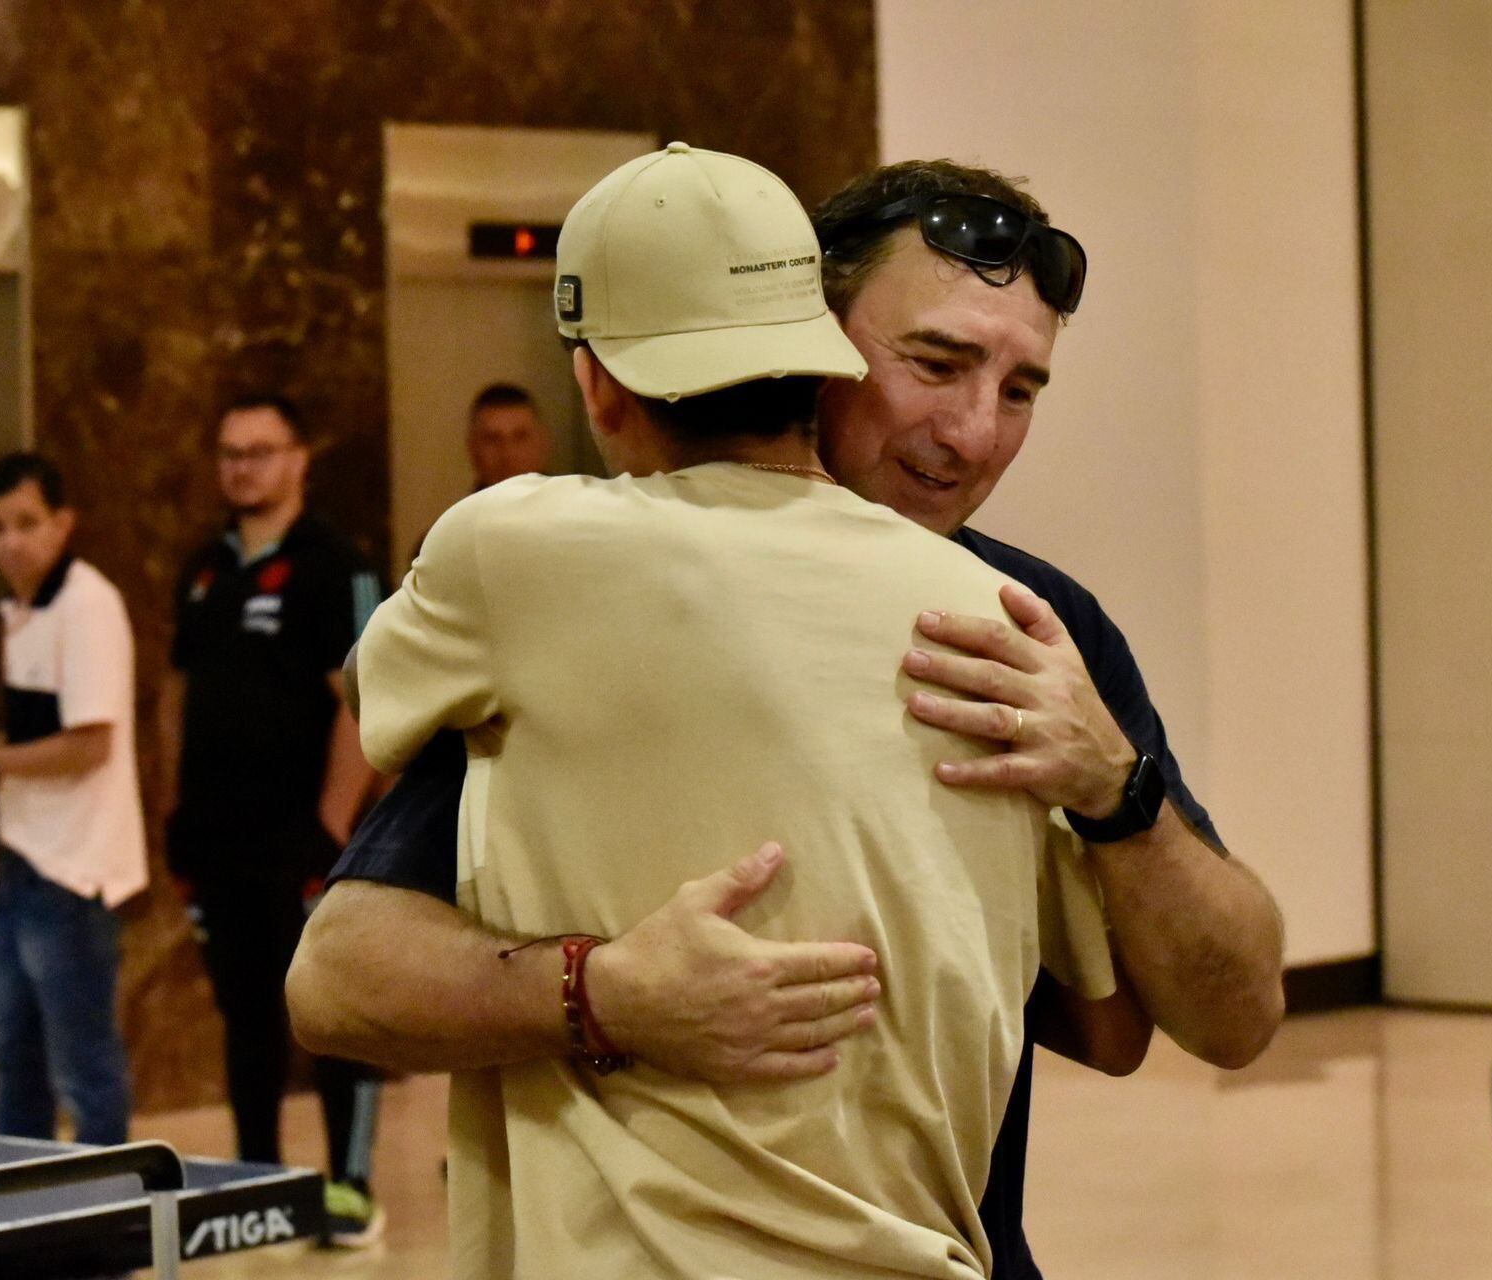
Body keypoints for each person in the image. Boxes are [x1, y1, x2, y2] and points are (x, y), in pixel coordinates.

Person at [290, 158, 1286, 1276]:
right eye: (935, 362)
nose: (972, 433)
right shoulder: (588, 595)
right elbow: (342, 976)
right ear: (806, 334)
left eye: (1019, 390)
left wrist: (1117, 790)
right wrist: (605, 991)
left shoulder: (1029, 630)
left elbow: (1194, 1020)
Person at [157, 394, 386, 1245]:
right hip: (219, 842)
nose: (241, 467)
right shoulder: (202, 569)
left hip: (306, 843)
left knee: (335, 1016)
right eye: (229, 452)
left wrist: (331, 826)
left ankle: (353, 1185)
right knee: (247, 1018)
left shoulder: (338, 565)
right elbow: (176, 695)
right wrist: (173, 806)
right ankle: (255, 1186)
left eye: (258, 451)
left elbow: (367, 703)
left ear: (299, 460)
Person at [0, 452, 145, 1147]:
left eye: (26, 523)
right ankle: (24, 1231)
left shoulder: (87, 604)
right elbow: (47, 731)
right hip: (22, 861)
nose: (10, 541)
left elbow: (89, 745)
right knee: (13, 1068)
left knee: (84, 1071)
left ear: (63, 523)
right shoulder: (20, 608)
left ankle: (114, 1236)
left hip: (74, 875)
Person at [465, 383, 550, 489]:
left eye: (520, 438)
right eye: (492, 440)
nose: (508, 454)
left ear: (542, 443)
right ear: (473, 448)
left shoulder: (573, 504)